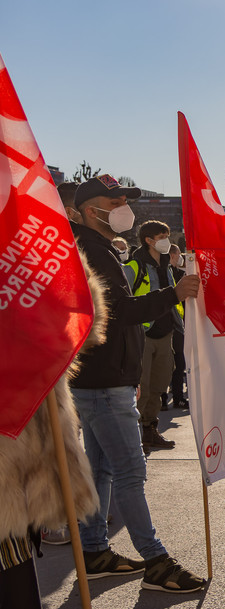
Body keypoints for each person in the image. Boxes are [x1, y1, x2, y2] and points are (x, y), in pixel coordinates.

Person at [70, 175, 206, 592]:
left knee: (102, 470)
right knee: (130, 471)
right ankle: (156, 562)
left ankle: (94, 552)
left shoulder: (97, 248)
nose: (124, 209)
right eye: (115, 202)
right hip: (103, 381)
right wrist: (174, 293)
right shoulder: (92, 251)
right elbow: (119, 312)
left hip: (105, 378)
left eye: (124, 201)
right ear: (91, 210)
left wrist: (131, 376)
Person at [0, 253, 106, 608]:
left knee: (15, 575)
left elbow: (84, 322)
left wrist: (61, 258)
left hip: (25, 464)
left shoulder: (24, 251)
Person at [123, 220, 183, 451]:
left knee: (159, 385)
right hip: (144, 334)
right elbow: (123, 300)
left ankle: (150, 430)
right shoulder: (134, 266)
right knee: (143, 387)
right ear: (149, 240)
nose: (167, 241)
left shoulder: (166, 265)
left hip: (166, 333)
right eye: (162, 237)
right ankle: (135, 436)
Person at [167, 244, 189, 409]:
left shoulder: (179, 273)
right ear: (173, 255)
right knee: (173, 363)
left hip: (179, 323)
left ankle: (177, 396)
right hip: (170, 324)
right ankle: (171, 397)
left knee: (179, 363)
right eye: (179, 254)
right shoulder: (167, 273)